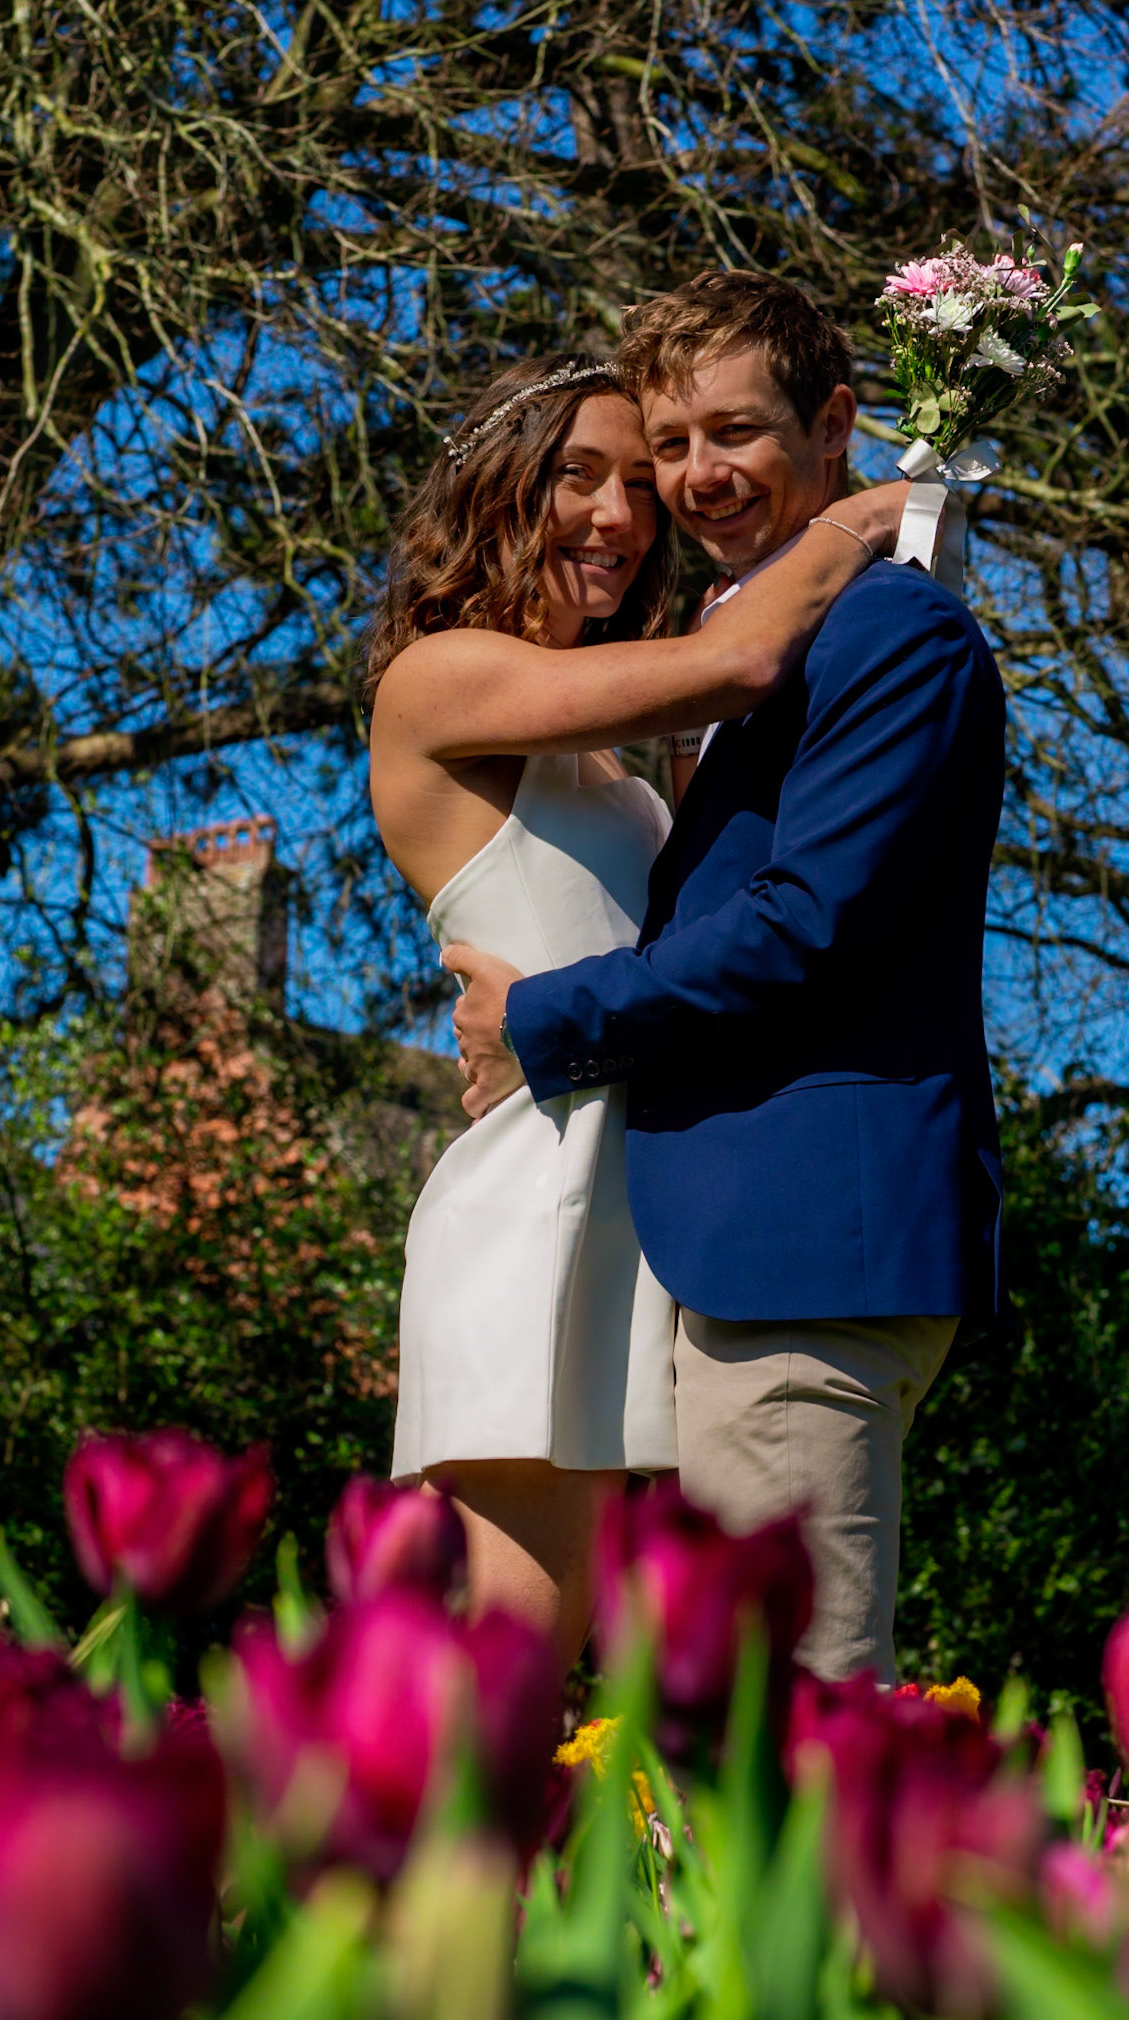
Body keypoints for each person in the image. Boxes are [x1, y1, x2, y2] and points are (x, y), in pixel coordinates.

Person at [448, 275, 1008, 1682]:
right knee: (722, 1729)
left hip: (807, 1240)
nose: (695, 478)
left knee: (796, 1726)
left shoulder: (890, 634)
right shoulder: (764, 648)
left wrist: (540, 1017)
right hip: (724, 1246)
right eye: (671, 442)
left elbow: (802, 921)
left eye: (735, 433)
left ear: (834, 424)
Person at [366, 350, 910, 1668]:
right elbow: (739, 658)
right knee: (513, 1713)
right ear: (500, 489)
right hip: (533, 1223)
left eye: (635, 484)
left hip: (663, 1219)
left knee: (654, 1717)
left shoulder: (616, 751)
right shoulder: (440, 680)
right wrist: (872, 509)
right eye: (578, 477)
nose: (620, 517)